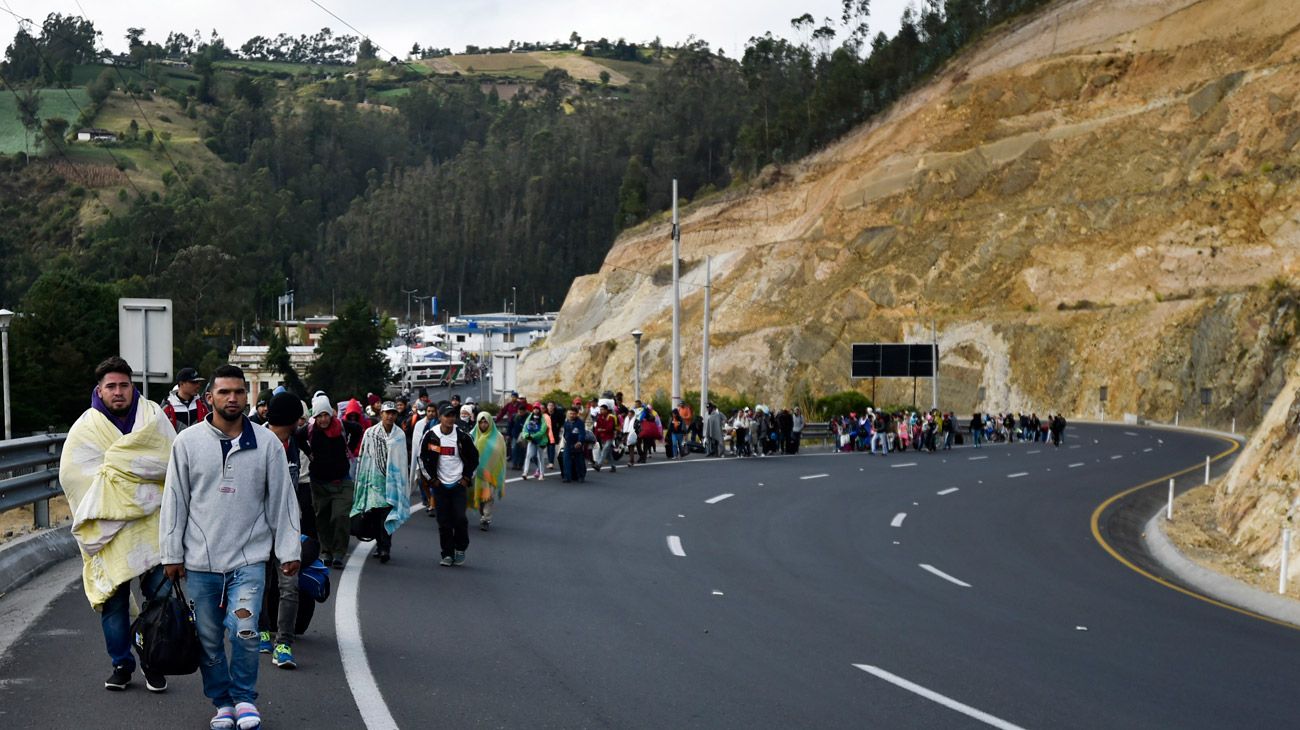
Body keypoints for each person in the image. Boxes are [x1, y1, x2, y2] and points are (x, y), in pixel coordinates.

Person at [160, 364, 301, 730]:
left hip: (249, 560)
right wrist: (171, 554)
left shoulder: (267, 444)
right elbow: (175, 501)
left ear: (247, 397)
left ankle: (243, 698)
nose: (233, 398)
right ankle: (221, 702)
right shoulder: (187, 442)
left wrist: (288, 551)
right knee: (208, 639)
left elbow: (283, 501)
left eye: (239, 392)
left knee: (245, 631)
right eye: (224, 392)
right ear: (210, 398)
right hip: (201, 562)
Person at [59, 356, 176, 693]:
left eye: (124, 385)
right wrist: (126, 481)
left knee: (161, 599)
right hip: (109, 531)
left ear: (132, 387)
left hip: (154, 524)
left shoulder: (153, 418)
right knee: (114, 602)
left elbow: (169, 460)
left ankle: (154, 662)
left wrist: (121, 475)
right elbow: (74, 475)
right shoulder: (85, 428)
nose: (118, 391)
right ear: (100, 390)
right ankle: (121, 665)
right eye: (111, 386)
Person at [257, 392, 318, 670]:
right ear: (291, 418)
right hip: (257, 527)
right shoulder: (256, 441)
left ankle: (284, 643)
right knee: (261, 583)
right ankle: (262, 632)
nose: (302, 422)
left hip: (287, 526)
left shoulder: (294, 443)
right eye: (299, 417)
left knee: (289, 586)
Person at [296, 394, 363, 569]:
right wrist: (308, 452)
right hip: (319, 482)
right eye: (319, 416)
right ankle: (326, 551)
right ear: (315, 417)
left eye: (326, 415)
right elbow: (297, 437)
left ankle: (339, 553)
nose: (323, 419)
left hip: (342, 480)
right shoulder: (310, 430)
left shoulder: (340, 426)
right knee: (323, 518)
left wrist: (350, 447)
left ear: (331, 415)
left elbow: (357, 429)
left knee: (340, 516)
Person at [418, 404, 480, 566]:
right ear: (440, 417)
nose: (450, 419)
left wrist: (466, 477)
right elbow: (422, 458)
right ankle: (447, 553)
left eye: (453, 415)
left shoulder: (463, 436)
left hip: (458, 484)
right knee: (443, 521)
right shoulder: (431, 436)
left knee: (460, 518)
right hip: (440, 485)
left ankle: (460, 547)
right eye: (447, 415)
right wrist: (432, 479)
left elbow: (474, 459)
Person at [351, 402, 411, 564]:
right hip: (373, 481)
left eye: (393, 413)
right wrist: (362, 481)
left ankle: (385, 547)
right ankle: (380, 544)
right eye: (387, 413)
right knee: (375, 514)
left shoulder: (399, 435)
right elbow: (364, 458)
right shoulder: (370, 433)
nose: (390, 416)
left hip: (391, 483)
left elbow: (401, 461)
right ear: (381, 415)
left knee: (387, 515)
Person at [470, 411, 506, 531]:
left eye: (486, 422)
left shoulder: (498, 437)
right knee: (480, 499)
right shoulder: (472, 435)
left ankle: (486, 518)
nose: (483, 425)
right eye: (481, 422)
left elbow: (500, 455)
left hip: (491, 473)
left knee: (489, 496)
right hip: (476, 473)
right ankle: (483, 513)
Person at [409, 401, 439, 515]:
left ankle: (432, 504)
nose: (431, 413)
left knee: (433, 482)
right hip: (422, 458)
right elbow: (417, 442)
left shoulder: (439, 424)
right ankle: (427, 499)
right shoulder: (419, 424)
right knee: (423, 482)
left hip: (435, 459)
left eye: (433, 411)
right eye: (429, 411)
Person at [162, 366, 210, 433]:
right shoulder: (167, 407)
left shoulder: (203, 405)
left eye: (198, 382)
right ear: (181, 383)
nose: (198, 385)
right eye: (193, 382)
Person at [520, 403, 549, 479]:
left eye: (537, 408)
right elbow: (525, 428)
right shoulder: (530, 417)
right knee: (528, 456)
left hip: (540, 441)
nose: (536, 410)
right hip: (531, 440)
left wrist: (533, 436)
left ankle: (541, 474)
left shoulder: (542, 419)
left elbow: (543, 430)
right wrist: (526, 435)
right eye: (534, 408)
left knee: (540, 457)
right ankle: (525, 472)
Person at [561, 407, 588, 482]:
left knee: (579, 461)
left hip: (577, 444)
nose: (572, 415)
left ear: (577, 414)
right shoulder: (566, 422)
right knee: (566, 460)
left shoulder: (580, 423)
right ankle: (567, 477)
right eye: (570, 413)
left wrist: (579, 442)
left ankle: (581, 476)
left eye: (574, 414)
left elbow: (582, 433)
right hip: (568, 443)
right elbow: (565, 433)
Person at [592, 403, 618, 472]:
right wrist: (595, 436)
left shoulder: (610, 417)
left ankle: (598, 465)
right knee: (608, 453)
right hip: (602, 437)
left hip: (609, 436)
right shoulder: (600, 417)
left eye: (603, 409)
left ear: (606, 410)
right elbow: (597, 427)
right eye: (600, 409)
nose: (601, 411)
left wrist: (602, 429)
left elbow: (610, 428)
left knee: (604, 450)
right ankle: (613, 466)